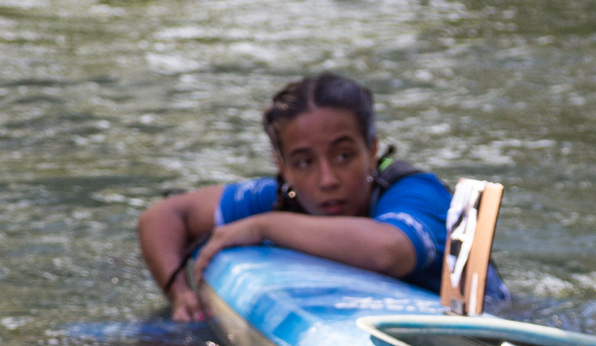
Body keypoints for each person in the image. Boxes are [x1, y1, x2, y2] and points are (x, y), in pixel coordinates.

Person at [136, 72, 502, 323]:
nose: (326, 179)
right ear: (282, 167)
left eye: (344, 156)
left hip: (493, 326)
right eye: (304, 162)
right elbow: (164, 216)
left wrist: (264, 226)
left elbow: (387, 251)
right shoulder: (283, 196)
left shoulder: (415, 192)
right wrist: (178, 292)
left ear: (372, 150)